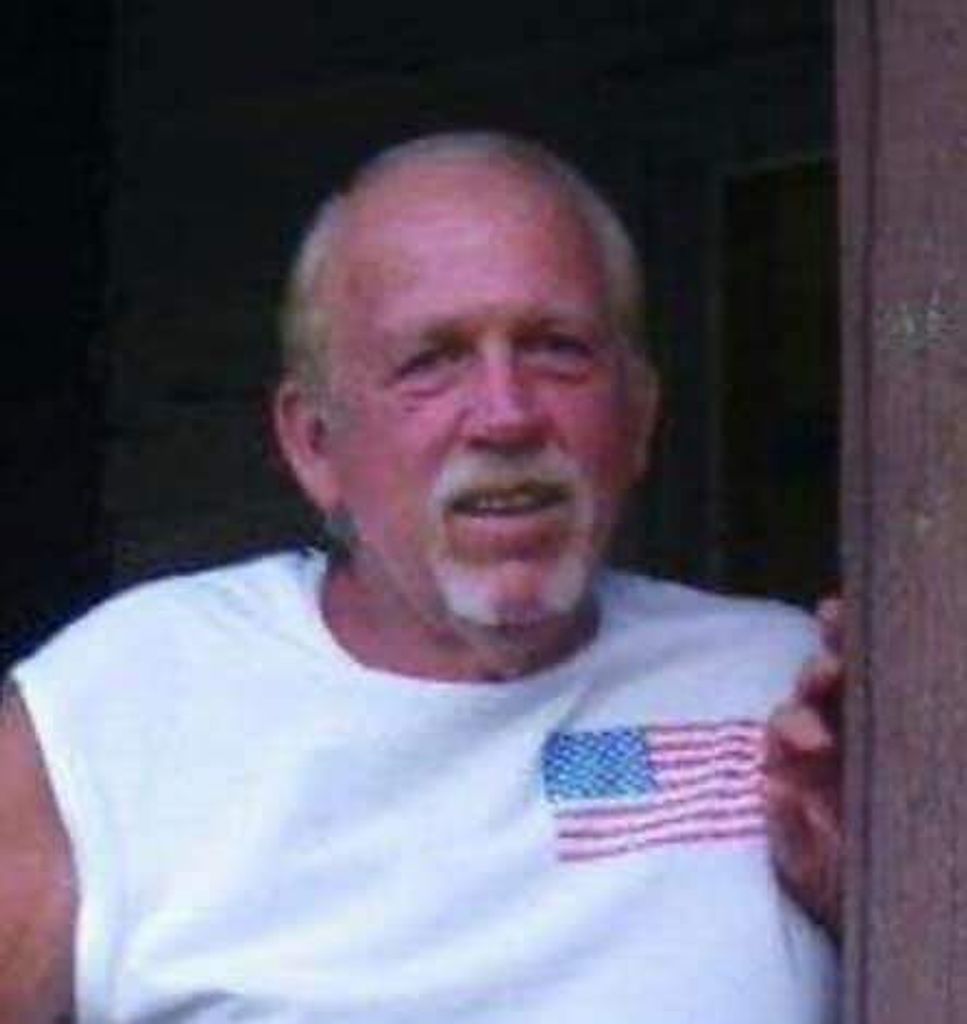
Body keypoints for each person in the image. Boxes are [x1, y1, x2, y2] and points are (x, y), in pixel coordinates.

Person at [0, 132, 842, 1023]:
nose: (506, 416)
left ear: (638, 418)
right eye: (430, 361)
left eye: (556, 348)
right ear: (314, 443)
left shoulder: (784, 699)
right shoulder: (120, 708)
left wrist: (864, 899)